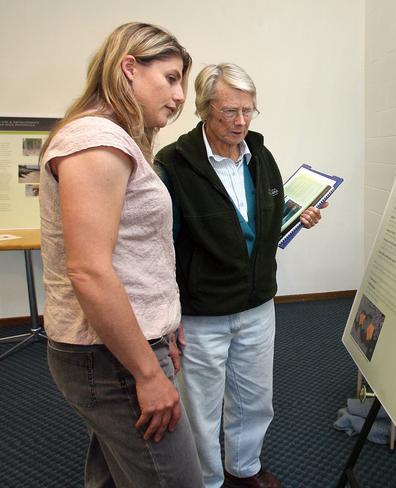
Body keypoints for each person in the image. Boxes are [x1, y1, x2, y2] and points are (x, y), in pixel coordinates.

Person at [39, 22, 203, 487]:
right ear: (129, 67)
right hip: (112, 358)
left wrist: (163, 323)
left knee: (115, 476)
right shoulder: (96, 140)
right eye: (170, 78)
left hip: (120, 345)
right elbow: (89, 271)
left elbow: (134, 255)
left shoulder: (110, 137)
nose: (178, 98)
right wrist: (148, 374)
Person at [155, 63, 324, 488]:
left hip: (257, 304)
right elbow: (163, 246)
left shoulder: (260, 156)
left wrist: (293, 217)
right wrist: (170, 314)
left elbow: (259, 221)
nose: (241, 122)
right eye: (230, 112)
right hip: (202, 312)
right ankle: (209, 480)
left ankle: (244, 470)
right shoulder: (174, 163)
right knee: (201, 409)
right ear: (204, 109)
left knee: (254, 400)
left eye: (249, 111)